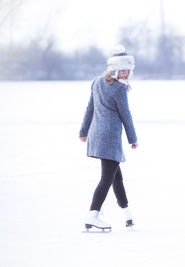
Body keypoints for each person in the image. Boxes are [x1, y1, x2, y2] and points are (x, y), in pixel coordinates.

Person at [79, 44, 138, 231]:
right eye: (122, 70)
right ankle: (92, 215)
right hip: (110, 139)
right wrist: (132, 138)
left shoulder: (96, 81)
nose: (125, 73)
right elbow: (125, 114)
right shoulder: (119, 89)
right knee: (107, 178)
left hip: (97, 136)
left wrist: (83, 131)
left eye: (128, 70)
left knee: (116, 177)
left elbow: (90, 108)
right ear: (113, 69)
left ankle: (127, 215)